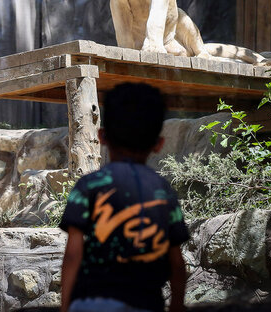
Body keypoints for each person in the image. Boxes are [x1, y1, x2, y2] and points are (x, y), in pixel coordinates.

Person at [59, 83, 189, 312]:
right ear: (159, 145)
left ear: (101, 136)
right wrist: (177, 305)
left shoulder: (88, 186)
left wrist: (66, 306)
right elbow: (177, 265)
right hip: (146, 304)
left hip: (91, 304)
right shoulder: (163, 191)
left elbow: (73, 254)